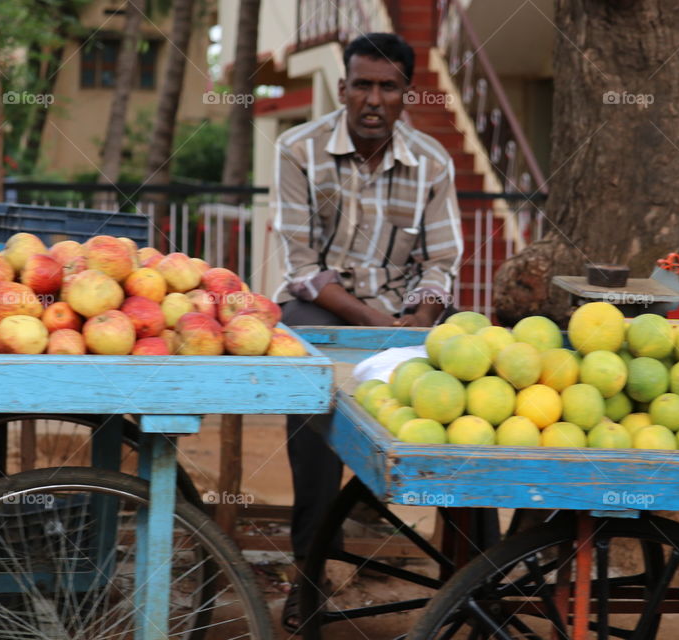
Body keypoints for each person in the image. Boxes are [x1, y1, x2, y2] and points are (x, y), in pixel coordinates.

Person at [272, 32, 464, 631]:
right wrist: (381, 324)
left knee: (473, 384)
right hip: (327, 307)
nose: (373, 100)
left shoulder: (432, 161)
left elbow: (440, 265)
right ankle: (310, 570)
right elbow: (301, 268)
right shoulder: (298, 149)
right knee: (310, 392)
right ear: (342, 88)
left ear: (408, 92)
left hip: (410, 312)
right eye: (362, 85)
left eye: (387, 86)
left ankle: (467, 572)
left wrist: (421, 319)